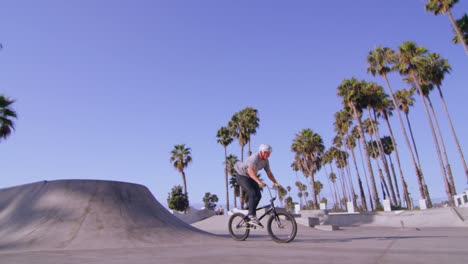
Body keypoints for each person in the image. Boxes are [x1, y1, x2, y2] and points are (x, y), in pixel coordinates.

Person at [234, 144, 281, 228]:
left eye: (270, 153)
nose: (269, 155)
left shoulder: (266, 161)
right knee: (252, 193)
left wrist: (275, 182)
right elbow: (250, 171)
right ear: (262, 152)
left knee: (258, 195)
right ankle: (251, 216)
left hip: (250, 177)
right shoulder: (254, 158)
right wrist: (259, 182)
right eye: (267, 153)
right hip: (242, 176)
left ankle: (250, 213)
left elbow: (269, 173)